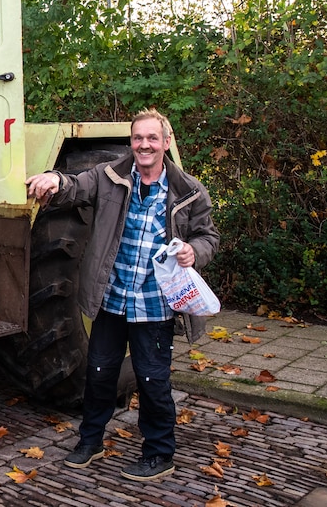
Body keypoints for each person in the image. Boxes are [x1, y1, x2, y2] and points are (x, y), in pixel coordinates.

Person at [24, 108, 220, 482]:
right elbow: (76, 185)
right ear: (131, 142)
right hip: (112, 300)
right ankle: (90, 441)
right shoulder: (110, 176)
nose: (143, 145)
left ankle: (160, 453)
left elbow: (208, 236)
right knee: (98, 376)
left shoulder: (189, 191)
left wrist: (195, 252)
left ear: (165, 142)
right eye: (137, 138)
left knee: (152, 381)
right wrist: (54, 179)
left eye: (151, 138)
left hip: (155, 306)